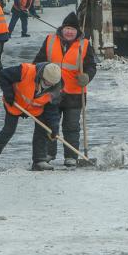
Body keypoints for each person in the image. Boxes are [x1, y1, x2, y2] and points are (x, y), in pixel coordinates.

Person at [33, 12, 96, 168]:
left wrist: (87, 76)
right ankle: (49, 153)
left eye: (73, 29)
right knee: (49, 124)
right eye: (67, 28)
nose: (69, 32)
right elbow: (38, 62)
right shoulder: (50, 40)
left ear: (77, 32)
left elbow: (91, 66)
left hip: (74, 94)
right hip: (51, 92)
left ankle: (71, 156)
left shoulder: (85, 44)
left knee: (71, 126)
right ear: (62, 28)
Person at [0, 62, 62, 171]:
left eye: (51, 84)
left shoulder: (56, 89)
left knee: (42, 130)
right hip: (14, 103)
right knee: (8, 130)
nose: (49, 85)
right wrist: (9, 94)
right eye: (47, 82)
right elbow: (4, 75)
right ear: (42, 75)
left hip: (35, 109)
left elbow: (52, 110)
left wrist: (54, 127)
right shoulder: (26, 70)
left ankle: (39, 160)